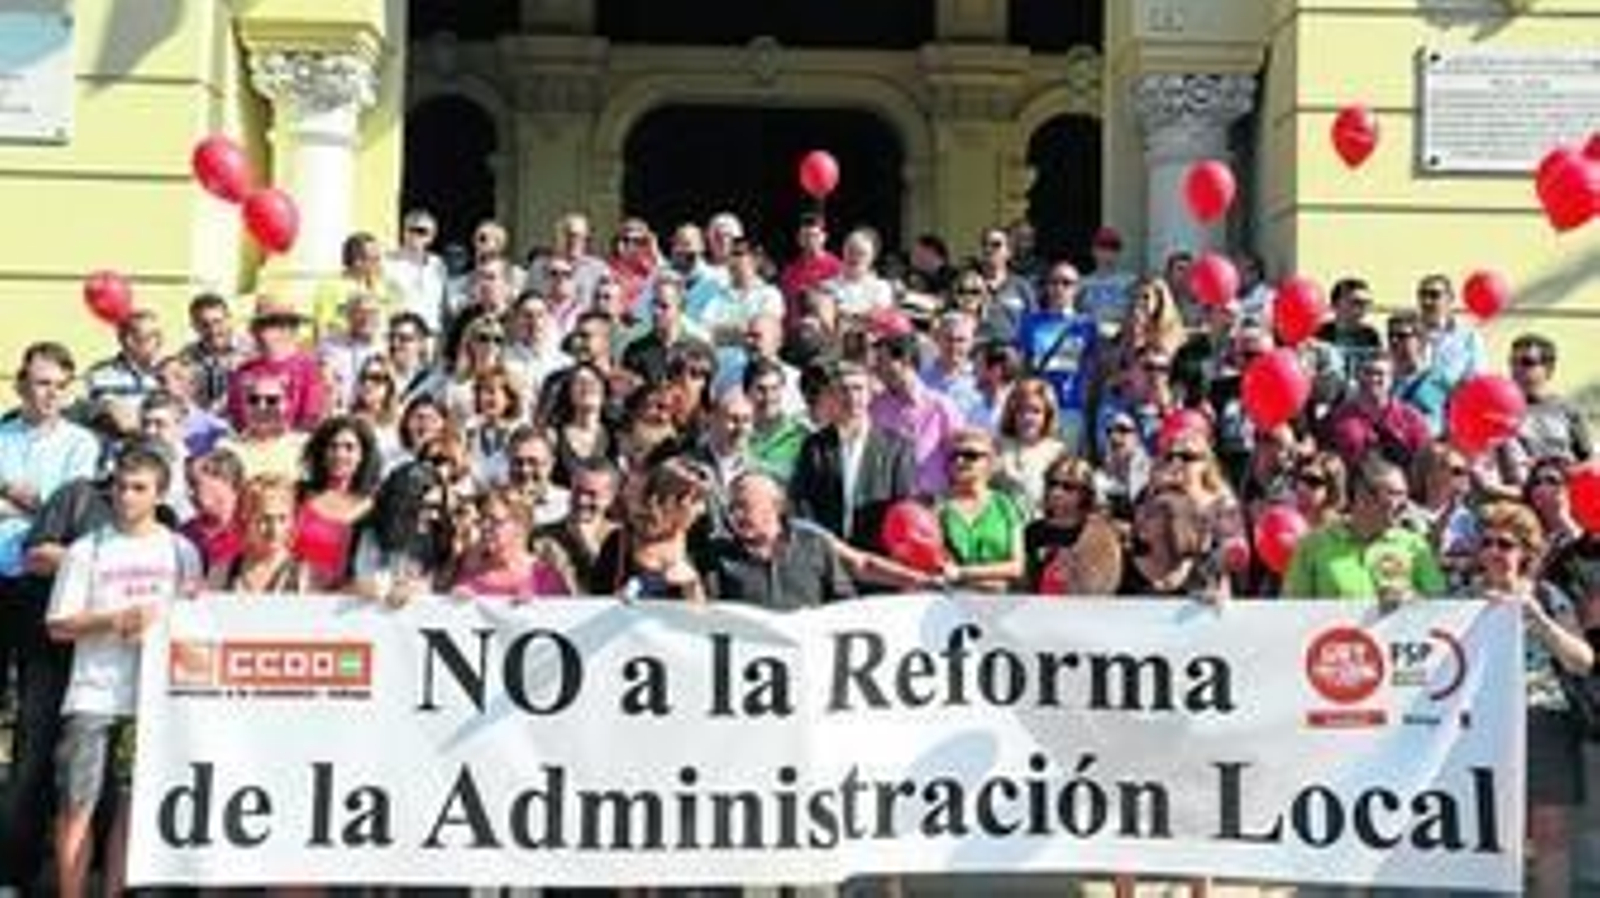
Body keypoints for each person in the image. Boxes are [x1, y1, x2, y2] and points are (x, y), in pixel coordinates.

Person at [46, 446, 201, 897]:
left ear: (160, 494)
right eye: (120, 486)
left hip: (152, 698)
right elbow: (57, 626)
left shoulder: (181, 550)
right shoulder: (85, 549)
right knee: (78, 807)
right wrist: (113, 620)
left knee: (132, 809)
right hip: (92, 695)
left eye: (138, 489)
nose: (126, 496)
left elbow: (192, 619)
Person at [0, 342, 102, 887]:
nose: (50, 394)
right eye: (40, 383)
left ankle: (13, 866)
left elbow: (65, 511)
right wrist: (25, 500)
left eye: (60, 385)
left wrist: (15, 495)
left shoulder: (81, 444)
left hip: (43, 589)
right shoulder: (2, 433)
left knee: (36, 733)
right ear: (20, 385)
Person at [1472, 501, 1594, 898]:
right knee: (1486, 833)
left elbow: (1582, 661)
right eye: (1487, 542)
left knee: (1550, 833)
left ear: (1524, 551)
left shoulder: (1546, 594)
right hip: (1481, 724)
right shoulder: (1461, 596)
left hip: (1545, 719)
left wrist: (1538, 619)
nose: (1494, 551)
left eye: (1505, 544)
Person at [1283, 456, 1447, 602]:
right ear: (1364, 496)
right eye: (1395, 494)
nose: (1405, 504)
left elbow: (1439, 605)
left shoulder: (1415, 545)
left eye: (1405, 495)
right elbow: (1291, 613)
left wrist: (1413, 599)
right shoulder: (1313, 546)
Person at [790, 361, 916, 551]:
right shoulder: (814, 446)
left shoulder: (897, 448)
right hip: (827, 554)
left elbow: (903, 505)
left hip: (877, 556)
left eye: (858, 388)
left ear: (869, 394)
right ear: (832, 395)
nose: (851, 396)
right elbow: (802, 501)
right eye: (843, 389)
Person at [700, 471, 855, 609]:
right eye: (731, 507)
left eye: (744, 506)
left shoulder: (815, 545)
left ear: (777, 506)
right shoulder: (717, 555)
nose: (736, 515)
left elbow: (844, 605)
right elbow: (706, 613)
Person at [590, 459, 709, 601]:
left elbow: (702, 616)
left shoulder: (698, 544)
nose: (703, 510)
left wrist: (692, 587)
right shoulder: (619, 543)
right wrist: (650, 583)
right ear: (669, 502)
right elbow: (596, 603)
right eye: (696, 500)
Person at [871, 332, 966, 497]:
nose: (876, 368)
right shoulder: (876, 407)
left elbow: (960, 454)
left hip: (933, 500)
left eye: (881, 360)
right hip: (889, 500)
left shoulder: (941, 406)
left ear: (905, 361)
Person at [294, 416, 382, 590]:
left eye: (349, 448)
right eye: (333, 446)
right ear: (322, 452)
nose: (340, 454)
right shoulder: (298, 495)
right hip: (298, 595)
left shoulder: (376, 506)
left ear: (362, 456)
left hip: (348, 601)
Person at [936, 429, 1026, 592]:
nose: (960, 461)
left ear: (990, 462)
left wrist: (962, 573)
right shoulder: (939, 508)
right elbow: (940, 567)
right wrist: (988, 580)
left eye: (971, 455)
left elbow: (1017, 567)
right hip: (950, 604)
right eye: (954, 456)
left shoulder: (1004, 505)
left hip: (1001, 605)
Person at [1025, 456, 1123, 596]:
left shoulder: (1100, 533)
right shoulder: (1033, 531)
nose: (1057, 492)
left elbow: (1104, 585)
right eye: (1053, 484)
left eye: (1068, 487)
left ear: (1084, 493)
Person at [226, 295, 327, 432]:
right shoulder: (244, 370)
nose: (258, 332)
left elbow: (310, 418)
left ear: (289, 329)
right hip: (250, 446)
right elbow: (237, 416)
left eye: (268, 324)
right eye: (258, 325)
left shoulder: (309, 370)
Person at [1318, 350, 1431, 471]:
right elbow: (1324, 458)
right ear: (1358, 376)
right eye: (1367, 372)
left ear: (1392, 378)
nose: (1373, 378)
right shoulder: (1337, 417)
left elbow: (1425, 464)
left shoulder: (1412, 419)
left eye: (1380, 373)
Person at [452, 487, 569, 601]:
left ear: (520, 526)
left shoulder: (544, 576)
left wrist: (535, 609)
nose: (484, 526)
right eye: (482, 519)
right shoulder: (469, 570)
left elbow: (564, 617)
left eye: (494, 521)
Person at [211, 473, 311, 593]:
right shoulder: (222, 573)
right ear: (246, 518)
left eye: (282, 519)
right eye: (264, 519)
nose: (275, 529)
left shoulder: (308, 576)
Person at [532, 460, 618, 594]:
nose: (582, 500)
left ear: (610, 498)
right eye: (577, 491)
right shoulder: (542, 536)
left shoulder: (620, 540)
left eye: (592, 494)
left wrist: (588, 546)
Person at [994, 378, 1068, 512]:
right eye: (1021, 411)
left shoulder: (1057, 452)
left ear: (1047, 415)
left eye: (1036, 411)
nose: (1028, 417)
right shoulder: (997, 446)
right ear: (1012, 413)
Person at [83, 309, 164, 421]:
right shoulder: (100, 373)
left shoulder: (168, 372)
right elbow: (104, 417)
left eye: (155, 335)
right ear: (123, 338)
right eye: (139, 335)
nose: (155, 341)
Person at [179, 447, 246, 577]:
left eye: (195, 483)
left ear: (225, 481)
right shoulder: (184, 534)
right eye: (189, 484)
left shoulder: (254, 529)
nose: (189, 493)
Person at [384, 208, 450, 334]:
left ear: (431, 236)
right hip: (400, 333)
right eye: (411, 229)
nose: (415, 235)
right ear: (403, 232)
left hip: (432, 333)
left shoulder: (438, 264)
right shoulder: (388, 262)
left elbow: (442, 304)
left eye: (422, 231)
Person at [179, 291, 246, 414]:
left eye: (217, 322)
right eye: (205, 325)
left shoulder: (250, 351)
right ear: (194, 326)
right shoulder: (187, 356)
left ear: (229, 319)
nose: (213, 330)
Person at [1415, 273, 1485, 388]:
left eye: (1434, 295)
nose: (1427, 301)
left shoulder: (1468, 337)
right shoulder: (1406, 335)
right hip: (1411, 404)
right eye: (1422, 295)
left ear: (1450, 299)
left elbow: (1476, 379)